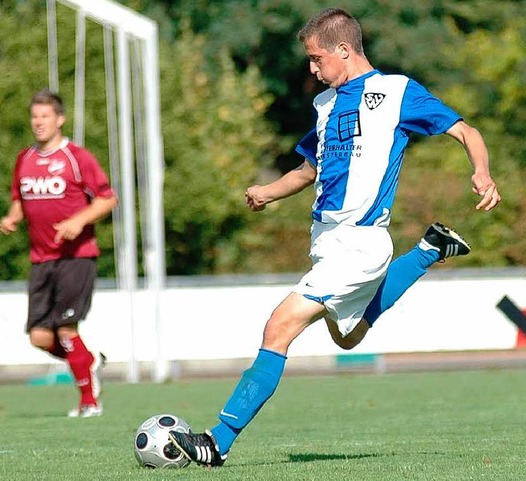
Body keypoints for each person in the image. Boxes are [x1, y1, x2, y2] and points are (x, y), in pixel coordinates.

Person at [170, 7, 500, 466]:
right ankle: (428, 250)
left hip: (361, 243)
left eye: (316, 58)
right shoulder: (324, 106)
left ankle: (217, 441)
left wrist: (481, 172)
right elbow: (309, 169)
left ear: (344, 51)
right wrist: (267, 192)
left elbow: (465, 131)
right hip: (327, 245)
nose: (312, 68)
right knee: (347, 338)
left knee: (278, 326)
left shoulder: (396, 92)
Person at [0, 89, 118, 417]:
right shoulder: (24, 158)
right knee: (39, 337)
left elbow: (108, 199)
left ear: (60, 119)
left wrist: (79, 220)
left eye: (45, 116)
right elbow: (20, 199)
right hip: (41, 258)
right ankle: (88, 361)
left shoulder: (77, 158)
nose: (38, 122)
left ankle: (89, 402)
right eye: (34, 116)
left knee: (67, 330)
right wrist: (12, 217)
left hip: (75, 257)